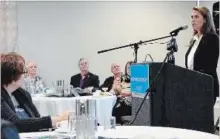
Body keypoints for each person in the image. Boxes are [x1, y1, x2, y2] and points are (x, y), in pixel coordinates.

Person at [1, 52, 69, 132]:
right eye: (23, 72)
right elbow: (15, 124)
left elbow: (36, 119)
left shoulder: (23, 94)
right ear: (12, 75)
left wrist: (57, 121)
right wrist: (59, 119)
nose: (24, 75)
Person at [185, 6, 219, 103]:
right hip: (192, 87)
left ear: (205, 20)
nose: (193, 20)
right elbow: (190, 65)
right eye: (192, 17)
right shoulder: (194, 39)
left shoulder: (212, 38)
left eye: (196, 17)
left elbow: (210, 66)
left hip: (205, 87)